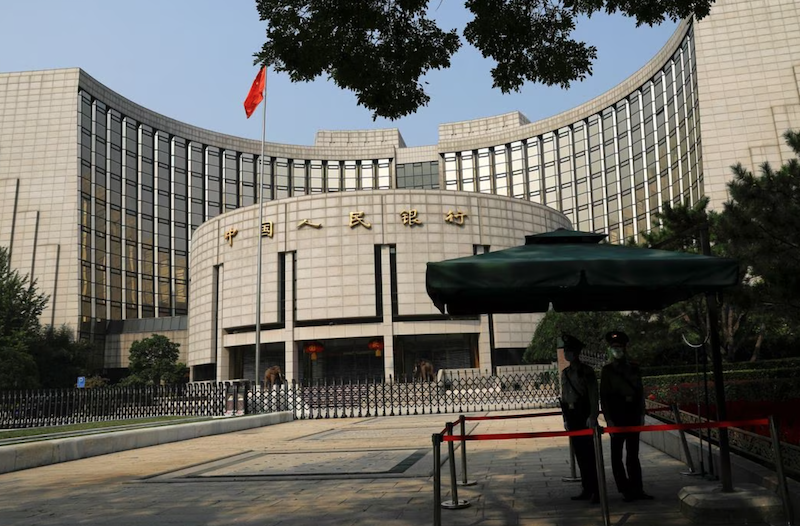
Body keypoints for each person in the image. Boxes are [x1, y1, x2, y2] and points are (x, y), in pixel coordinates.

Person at [600, 330, 654, 502]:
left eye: (619, 347)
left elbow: (639, 392)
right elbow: (604, 396)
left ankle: (637, 489)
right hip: (616, 415)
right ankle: (624, 489)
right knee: (616, 455)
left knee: (633, 454)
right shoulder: (607, 370)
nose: (616, 350)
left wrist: (641, 414)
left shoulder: (634, 367)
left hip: (631, 413)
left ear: (625, 348)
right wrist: (608, 418)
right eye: (613, 347)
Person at [559, 333, 600, 504]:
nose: (567, 354)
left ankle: (596, 490)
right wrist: (565, 418)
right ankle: (586, 488)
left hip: (584, 414)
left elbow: (592, 395)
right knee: (579, 455)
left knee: (589, 455)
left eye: (570, 351)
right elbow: (565, 396)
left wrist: (593, 415)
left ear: (576, 352)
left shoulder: (586, 371)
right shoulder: (565, 372)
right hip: (572, 414)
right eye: (566, 350)